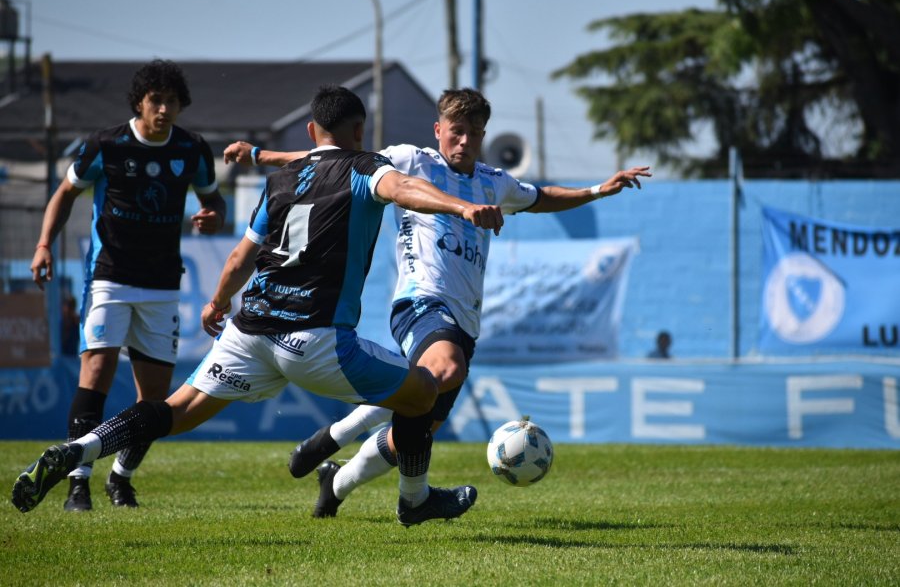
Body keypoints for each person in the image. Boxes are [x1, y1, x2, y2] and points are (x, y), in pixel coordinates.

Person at [12, 84, 503, 527]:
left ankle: (78, 449)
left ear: (311, 131)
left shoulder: (282, 180)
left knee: (174, 410)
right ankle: (414, 500)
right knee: (423, 392)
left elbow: (240, 257)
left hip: (249, 330)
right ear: (360, 132)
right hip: (315, 339)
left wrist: (217, 302)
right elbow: (406, 189)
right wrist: (462, 206)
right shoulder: (366, 168)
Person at [223, 87, 650, 519]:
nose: (464, 141)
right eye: (456, 131)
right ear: (438, 130)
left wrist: (598, 189)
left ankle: (335, 484)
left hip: (464, 322)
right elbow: (330, 158)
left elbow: (541, 198)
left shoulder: (493, 181)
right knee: (444, 370)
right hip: (420, 302)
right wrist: (260, 156)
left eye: (474, 133)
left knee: (413, 430)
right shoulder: (410, 160)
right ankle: (345, 442)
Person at [28, 59, 226, 512]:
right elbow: (65, 193)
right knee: (96, 371)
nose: (164, 109)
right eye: (156, 100)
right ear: (139, 102)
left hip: (162, 284)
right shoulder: (106, 144)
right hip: (110, 278)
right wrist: (43, 245)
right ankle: (78, 483)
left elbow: (213, 198)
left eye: (172, 101)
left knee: (153, 399)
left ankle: (121, 477)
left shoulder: (193, 148)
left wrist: (215, 215)